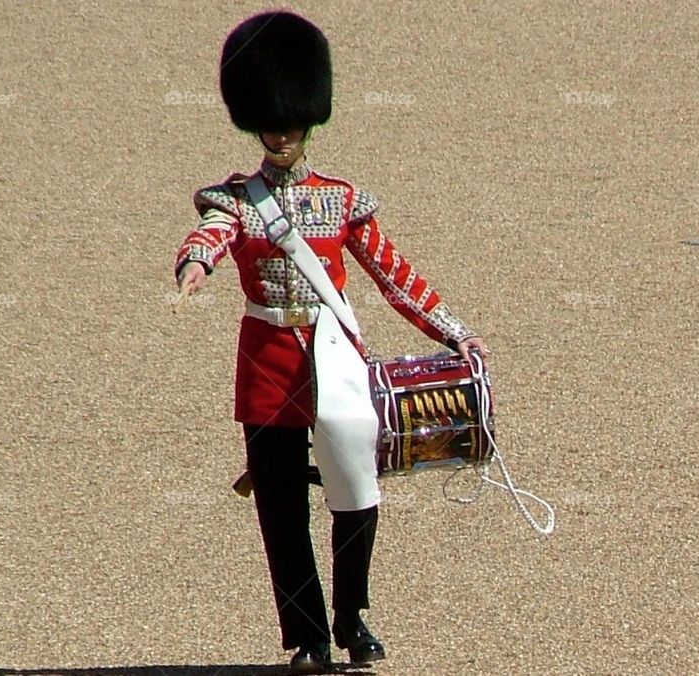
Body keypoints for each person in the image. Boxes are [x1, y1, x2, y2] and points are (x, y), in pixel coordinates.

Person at [174, 10, 488, 674]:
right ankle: (308, 634)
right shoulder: (234, 200)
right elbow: (211, 235)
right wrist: (195, 263)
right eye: (271, 120)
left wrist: (455, 333)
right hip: (266, 363)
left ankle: (352, 618)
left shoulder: (341, 202)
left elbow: (396, 277)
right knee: (281, 508)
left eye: (290, 121)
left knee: (356, 490)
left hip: (334, 358)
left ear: (308, 120)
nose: (280, 132)